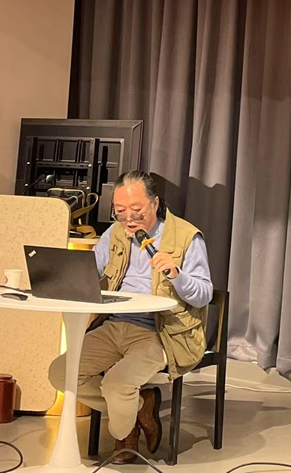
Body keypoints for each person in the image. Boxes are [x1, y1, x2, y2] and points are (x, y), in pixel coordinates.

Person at [49, 171, 213, 464]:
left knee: (117, 384)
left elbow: (203, 295)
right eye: (120, 211)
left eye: (136, 211)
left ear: (155, 203)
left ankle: (124, 434)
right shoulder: (114, 233)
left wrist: (176, 274)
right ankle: (140, 408)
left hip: (161, 332)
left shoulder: (187, 236)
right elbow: (88, 272)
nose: (128, 219)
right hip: (114, 325)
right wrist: (49, 278)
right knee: (60, 372)